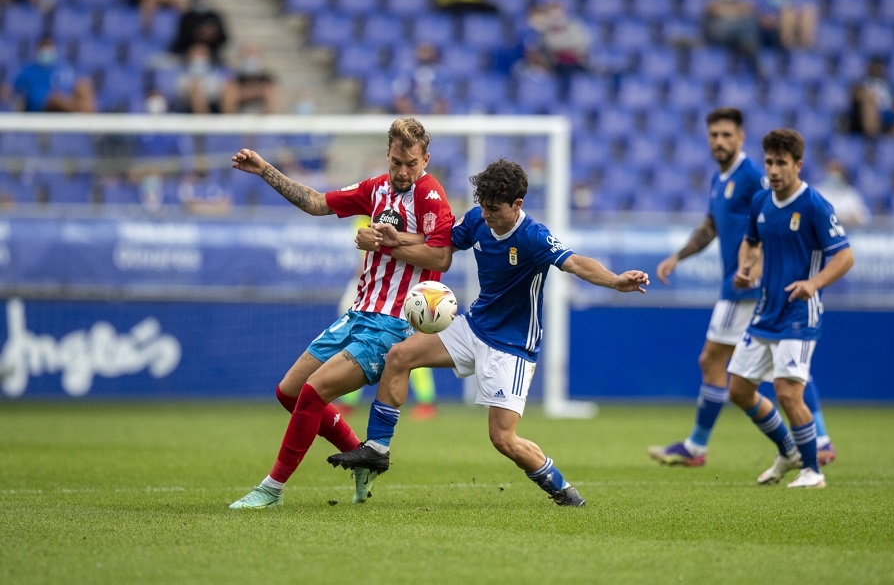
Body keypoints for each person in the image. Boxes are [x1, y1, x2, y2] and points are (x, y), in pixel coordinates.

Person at [327, 158, 650, 507]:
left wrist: (616, 281)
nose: (486, 214)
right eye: (482, 205)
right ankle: (377, 448)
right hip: (473, 326)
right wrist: (395, 238)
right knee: (399, 355)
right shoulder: (479, 220)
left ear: (517, 205)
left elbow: (575, 263)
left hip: (511, 346)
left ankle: (564, 491)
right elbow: (441, 243)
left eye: (494, 208)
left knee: (502, 438)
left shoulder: (533, 237)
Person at [227, 117, 455, 509]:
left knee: (314, 393)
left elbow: (441, 255)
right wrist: (265, 170)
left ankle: (272, 488)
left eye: (411, 164)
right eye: (397, 162)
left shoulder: (430, 194)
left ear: (425, 159)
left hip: (394, 325)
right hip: (357, 315)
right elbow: (317, 203)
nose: (403, 172)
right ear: (387, 154)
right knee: (290, 392)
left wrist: (385, 242)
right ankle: (361, 459)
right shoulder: (374, 189)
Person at [648, 108, 836, 469]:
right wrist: (677, 257)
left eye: (726, 135)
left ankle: (698, 445)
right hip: (735, 284)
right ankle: (819, 441)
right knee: (784, 364)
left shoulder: (754, 176)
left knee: (717, 360)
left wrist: (754, 270)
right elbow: (709, 227)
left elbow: (772, 223)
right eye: (714, 135)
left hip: (749, 289)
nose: (719, 141)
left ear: (740, 138)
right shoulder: (721, 179)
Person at [728, 128, 854, 489]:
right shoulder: (761, 202)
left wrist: (813, 284)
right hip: (765, 312)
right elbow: (750, 243)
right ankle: (788, 450)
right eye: (769, 162)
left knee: (786, 392)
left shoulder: (814, 205)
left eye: (781, 163)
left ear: (797, 164)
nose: (774, 170)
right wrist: (744, 269)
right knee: (738, 390)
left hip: (800, 315)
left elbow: (845, 257)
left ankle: (812, 470)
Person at [334, 216, 440, 421]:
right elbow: (367, 258)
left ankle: (427, 401)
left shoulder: (409, 216)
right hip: (370, 289)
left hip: (402, 290)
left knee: (411, 344)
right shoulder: (362, 220)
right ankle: (348, 402)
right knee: (358, 342)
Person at [12, 36, 97, 113]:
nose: (47, 51)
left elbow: (72, 84)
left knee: (84, 85)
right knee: (55, 99)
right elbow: (13, 90)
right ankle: (79, 112)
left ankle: (91, 121)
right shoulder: (28, 71)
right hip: (42, 104)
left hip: (65, 100)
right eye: (44, 48)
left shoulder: (62, 68)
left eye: (49, 48)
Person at [702, 0, 761, 75]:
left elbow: (749, 9)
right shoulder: (713, 0)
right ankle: (750, 53)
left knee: (750, 23)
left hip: (736, 34)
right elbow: (713, 8)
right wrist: (736, 12)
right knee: (747, 28)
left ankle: (746, 48)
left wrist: (734, 12)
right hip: (719, 33)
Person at [173, 42, 238, 114]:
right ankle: (203, 121)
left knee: (230, 88)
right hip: (185, 99)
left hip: (213, 96)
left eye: (202, 54)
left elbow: (228, 82)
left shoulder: (217, 71)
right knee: (195, 89)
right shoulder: (179, 71)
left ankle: (229, 120)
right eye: (196, 54)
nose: (199, 58)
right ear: (189, 56)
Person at [169, 0, 228, 64]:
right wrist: (197, 35)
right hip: (189, 54)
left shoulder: (214, 16)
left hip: (212, 55)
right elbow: (181, 38)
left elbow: (224, 38)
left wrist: (213, 36)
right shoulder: (187, 17)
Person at [391, 43, 450, 116]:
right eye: (422, 50)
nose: (425, 53)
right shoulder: (407, 71)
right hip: (411, 117)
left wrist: (434, 120)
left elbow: (445, 100)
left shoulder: (441, 72)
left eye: (428, 50)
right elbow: (400, 98)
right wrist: (415, 118)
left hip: (435, 117)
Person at [847, 59, 894, 137]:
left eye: (878, 67)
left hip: (888, 114)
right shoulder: (863, 83)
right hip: (871, 113)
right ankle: (873, 135)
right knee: (869, 100)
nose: (877, 70)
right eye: (874, 67)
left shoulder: (888, 85)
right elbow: (855, 95)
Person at [815, 160, 871, 227]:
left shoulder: (851, 195)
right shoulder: (817, 193)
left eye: (837, 173)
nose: (834, 177)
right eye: (832, 172)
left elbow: (864, 218)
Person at [232, 43, 280, 114]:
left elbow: (269, 91)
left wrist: (251, 93)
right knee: (230, 92)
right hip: (240, 103)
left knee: (271, 91)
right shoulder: (235, 76)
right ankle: (229, 121)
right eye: (249, 53)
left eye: (254, 54)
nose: (251, 57)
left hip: (261, 105)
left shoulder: (267, 77)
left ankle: (271, 120)